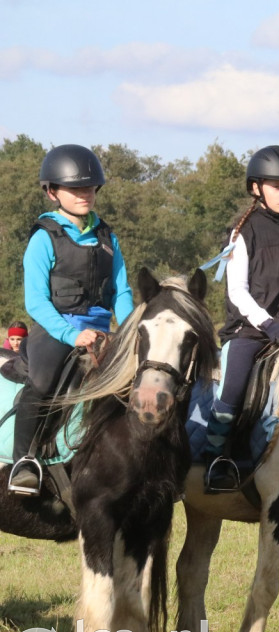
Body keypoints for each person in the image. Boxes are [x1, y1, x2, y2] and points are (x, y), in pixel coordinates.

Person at [8, 145, 135, 493]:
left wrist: (129, 332)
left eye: (90, 188)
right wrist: (69, 334)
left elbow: (121, 293)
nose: (85, 194)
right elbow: (35, 301)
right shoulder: (43, 239)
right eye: (75, 189)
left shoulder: (108, 238)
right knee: (43, 383)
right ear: (53, 192)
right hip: (55, 329)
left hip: (101, 330)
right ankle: (24, 461)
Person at [204, 145, 279, 493]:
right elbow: (238, 291)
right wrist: (269, 324)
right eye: (278, 187)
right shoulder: (244, 231)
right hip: (250, 333)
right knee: (233, 391)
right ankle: (215, 458)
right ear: (257, 187)